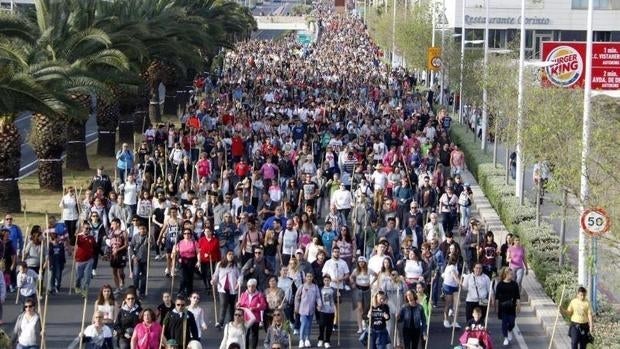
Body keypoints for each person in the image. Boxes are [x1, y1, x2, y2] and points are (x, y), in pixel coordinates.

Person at [212, 250, 242, 328]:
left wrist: (239, 283)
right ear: (226, 255)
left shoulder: (236, 265)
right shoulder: (220, 264)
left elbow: (240, 276)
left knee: (231, 306)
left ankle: (231, 322)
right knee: (223, 304)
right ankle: (220, 322)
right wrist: (214, 280)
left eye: (232, 254)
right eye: (229, 254)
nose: (231, 256)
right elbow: (216, 275)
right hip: (222, 288)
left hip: (232, 288)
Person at [237, 278, 267, 349]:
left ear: (255, 286)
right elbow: (241, 305)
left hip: (255, 318)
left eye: (253, 286)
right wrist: (238, 305)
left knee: (254, 334)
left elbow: (263, 306)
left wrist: (254, 308)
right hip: (245, 317)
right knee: (245, 334)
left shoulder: (259, 295)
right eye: (249, 286)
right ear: (247, 286)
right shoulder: (243, 294)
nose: (251, 288)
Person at [495, 267, 521, 346]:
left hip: (512, 307)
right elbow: (497, 297)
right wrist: (496, 308)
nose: (512, 275)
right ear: (505, 274)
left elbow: (517, 296)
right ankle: (505, 338)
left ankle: (510, 330)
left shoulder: (514, 284)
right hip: (502, 307)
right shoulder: (500, 284)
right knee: (504, 323)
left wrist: (518, 305)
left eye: (512, 274)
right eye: (510, 274)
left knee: (512, 322)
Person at [294, 273, 321, 348]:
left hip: (311, 310)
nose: (309, 278)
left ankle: (307, 339)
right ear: (305, 278)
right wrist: (296, 307)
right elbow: (297, 297)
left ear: (312, 277)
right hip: (303, 309)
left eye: (310, 276)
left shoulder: (315, 287)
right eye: (308, 276)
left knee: (309, 325)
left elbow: (318, 297)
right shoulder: (302, 286)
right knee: (303, 324)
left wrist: (319, 304)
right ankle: (301, 340)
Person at [173, 228, 200, 297]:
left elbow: (198, 253)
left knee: (190, 278)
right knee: (183, 278)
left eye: (188, 233)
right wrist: (174, 253)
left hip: (191, 261)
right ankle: (181, 291)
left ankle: (189, 293)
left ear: (191, 235)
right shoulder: (179, 243)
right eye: (185, 233)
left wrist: (198, 261)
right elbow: (175, 253)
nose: (187, 235)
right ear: (183, 235)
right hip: (182, 261)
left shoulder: (194, 242)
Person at [350, 256, 371, 334]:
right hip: (358, 290)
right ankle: (360, 327)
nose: (361, 263)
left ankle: (364, 321)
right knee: (359, 308)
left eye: (362, 262)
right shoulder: (356, 271)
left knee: (366, 308)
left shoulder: (368, 270)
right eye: (359, 262)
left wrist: (372, 283)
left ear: (365, 263)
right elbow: (351, 277)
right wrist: (353, 283)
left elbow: (376, 275)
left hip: (367, 290)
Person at [75, 223, 97, 296]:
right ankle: (77, 286)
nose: (88, 230)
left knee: (87, 277)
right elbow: (74, 242)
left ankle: (84, 290)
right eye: (86, 228)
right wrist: (75, 236)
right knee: (79, 276)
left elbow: (96, 247)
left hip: (89, 260)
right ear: (82, 228)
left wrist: (103, 254)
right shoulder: (79, 237)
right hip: (79, 260)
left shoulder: (91, 238)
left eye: (89, 229)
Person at [129, 225, 149, 298]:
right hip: (136, 259)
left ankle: (142, 292)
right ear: (139, 229)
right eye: (141, 229)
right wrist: (133, 256)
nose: (142, 230)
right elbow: (131, 246)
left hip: (145, 259)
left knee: (144, 277)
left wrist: (150, 243)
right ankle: (135, 289)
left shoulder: (149, 237)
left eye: (144, 228)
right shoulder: (135, 236)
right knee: (136, 275)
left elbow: (152, 247)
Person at [441, 255, 461, 329]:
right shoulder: (451, 267)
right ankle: (446, 320)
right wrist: (460, 283)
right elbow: (454, 276)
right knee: (448, 303)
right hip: (448, 287)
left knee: (457, 304)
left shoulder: (454, 266)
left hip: (454, 287)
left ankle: (454, 321)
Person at [317, 275, 336, 348]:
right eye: (325, 280)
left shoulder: (333, 289)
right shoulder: (320, 289)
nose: (326, 282)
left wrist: (338, 296)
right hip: (322, 310)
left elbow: (338, 301)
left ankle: (327, 341)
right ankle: (321, 339)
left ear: (330, 281)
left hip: (331, 311)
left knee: (329, 327)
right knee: (321, 325)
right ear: (323, 281)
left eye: (328, 280)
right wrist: (318, 305)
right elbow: (318, 298)